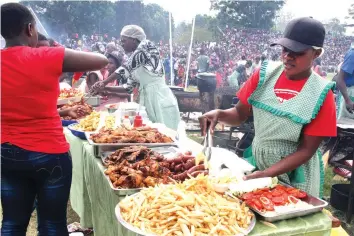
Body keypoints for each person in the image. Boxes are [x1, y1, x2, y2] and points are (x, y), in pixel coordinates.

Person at [199, 17, 337, 198]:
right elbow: (240, 113)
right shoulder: (264, 75)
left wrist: (267, 174)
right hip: (258, 164)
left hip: (296, 174)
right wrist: (219, 114)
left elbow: (307, 150)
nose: (288, 56)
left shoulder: (321, 93)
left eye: (298, 52)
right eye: (285, 49)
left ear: (316, 54)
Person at [1, 3, 108, 235]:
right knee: (51, 224)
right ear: (30, 29)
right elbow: (100, 60)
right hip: (48, 153)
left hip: (6, 152)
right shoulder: (47, 56)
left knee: (11, 222)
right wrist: (56, 49)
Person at [90, 25, 180, 130]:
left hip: (159, 97)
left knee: (166, 133)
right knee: (149, 133)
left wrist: (103, 83)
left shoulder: (147, 45)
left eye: (124, 41)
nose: (121, 44)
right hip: (146, 101)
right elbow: (128, 88)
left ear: (133, 39)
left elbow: (127, 67)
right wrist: (105, 89)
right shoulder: (135, 60)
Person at [335, 43, 354, 120]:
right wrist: (348, 100)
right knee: (345, 125)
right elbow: (340, 79)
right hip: (349, 92)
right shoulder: (352, 55)